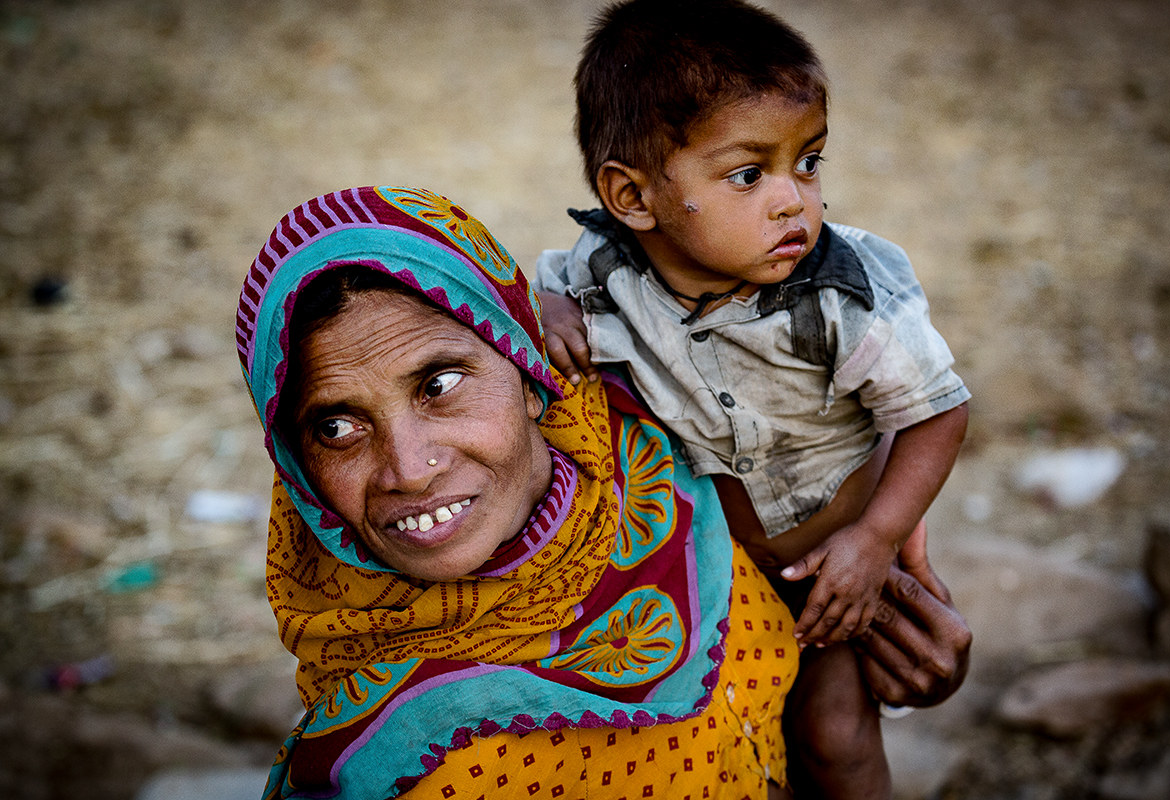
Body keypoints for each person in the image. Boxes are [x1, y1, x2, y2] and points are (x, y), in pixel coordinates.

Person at [238, 186, 970, 799]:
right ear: (297, 468)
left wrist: (893, 653)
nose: (408, 469)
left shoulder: (647, 437)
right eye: (336, 427)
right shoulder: (397, 766)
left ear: (528, 369)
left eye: (440, 383)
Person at [534, 1, 971, 796]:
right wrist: (550, 310)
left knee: (835, 736)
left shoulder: (842, 294)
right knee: (712, 736)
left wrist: (877, 537)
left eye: (808, 162)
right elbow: (539, 292)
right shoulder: (605, 268)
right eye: (748, 174)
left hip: (831, 574)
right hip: (710, 570)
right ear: (633, 198)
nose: (793, 200)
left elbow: (938, 411)